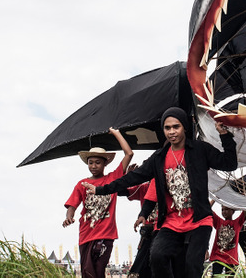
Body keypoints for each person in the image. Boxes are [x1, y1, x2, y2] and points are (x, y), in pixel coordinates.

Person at [83, 107, 237, 278]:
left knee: (191, 266)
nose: (172, 132)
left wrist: (225, 136)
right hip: (171, 222)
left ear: (184, 127)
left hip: (199, 220)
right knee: (157, 256)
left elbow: (229, 163)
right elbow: (132, 178)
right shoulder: (159, 157)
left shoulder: (200, 150)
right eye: (167, 128)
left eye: (176, 127)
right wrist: (101, 189)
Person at [63, 128, 134, 278]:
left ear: (105, 163)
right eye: (90, 163)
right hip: (86, 235)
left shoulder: (112, 179)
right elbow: (72, 205)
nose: (94, 166)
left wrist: (116, 133)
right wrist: (69, 216)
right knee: (88, 272)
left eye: (97, 162)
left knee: (99, 271)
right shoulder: (82, 184)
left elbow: (129, 153)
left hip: (106, 235)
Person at [208, 202, 246, 276]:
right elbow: (208, 208)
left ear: (233, 211)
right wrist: (214, 199)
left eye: (226, 209)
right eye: (222, 210)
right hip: (218, 257)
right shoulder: (219, 222)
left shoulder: (237, 223)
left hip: (231, 259)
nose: (224, 212)